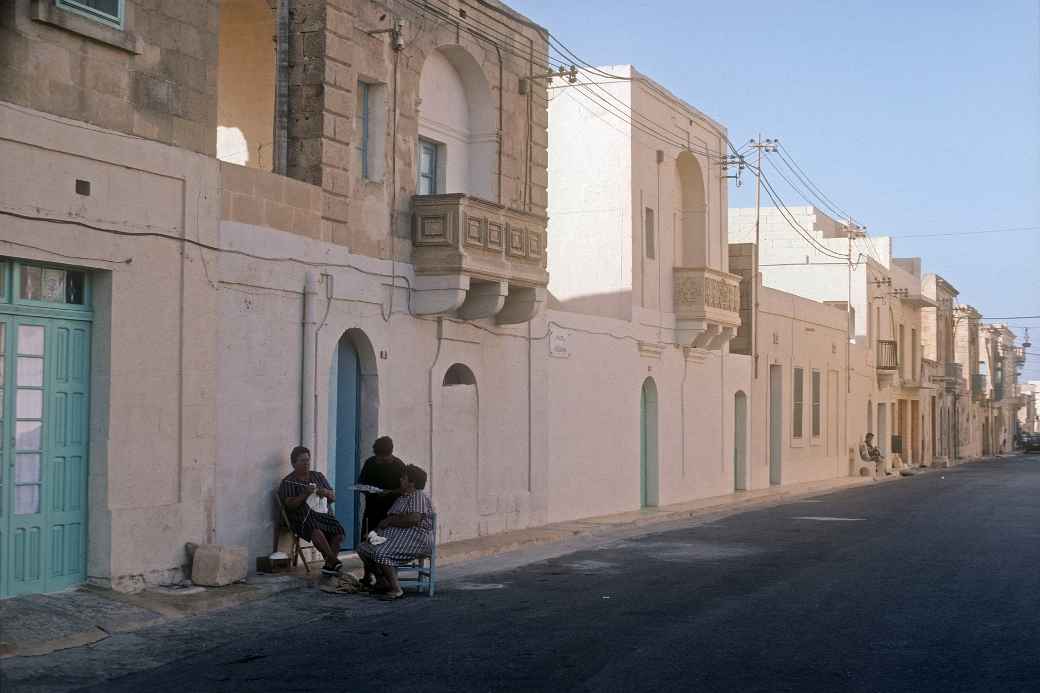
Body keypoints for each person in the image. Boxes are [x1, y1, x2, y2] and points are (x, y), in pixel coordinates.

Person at [356, 464, 435, 601]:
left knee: (381, 553)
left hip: (416, 538)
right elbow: (387, 521)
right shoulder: (402, 497)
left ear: (412, 482)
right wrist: (375, 532)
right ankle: (382, 581)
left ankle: (396, 588)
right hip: (395, 537)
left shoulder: (418, 496)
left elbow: (413, 519)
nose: (400, 480)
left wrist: (391, 521)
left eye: (404, 478)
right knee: (363, 548)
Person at [279, 446, 345, 575]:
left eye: (308, 460)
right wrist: (304, 494)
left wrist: (325, 492)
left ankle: (329, 565)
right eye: (302, 461)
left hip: (323, 515)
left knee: (339, 532)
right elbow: (290, 506)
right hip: (301, 518)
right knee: (315, 530)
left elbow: (333, 497)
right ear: (293, 463)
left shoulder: (318, 476)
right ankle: (332, 560)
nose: (306, 463)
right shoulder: (288, 482)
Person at [357, 436, 406, 535]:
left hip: (392, 512)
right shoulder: (370, 463)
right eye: (378, 458)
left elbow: (406, 490)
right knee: (368, 539)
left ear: (390, 453)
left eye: (383, 459)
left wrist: (389, 492)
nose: (379, 461)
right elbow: (361, 483)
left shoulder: (399, 466)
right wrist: (369, 490)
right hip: (371, 510)